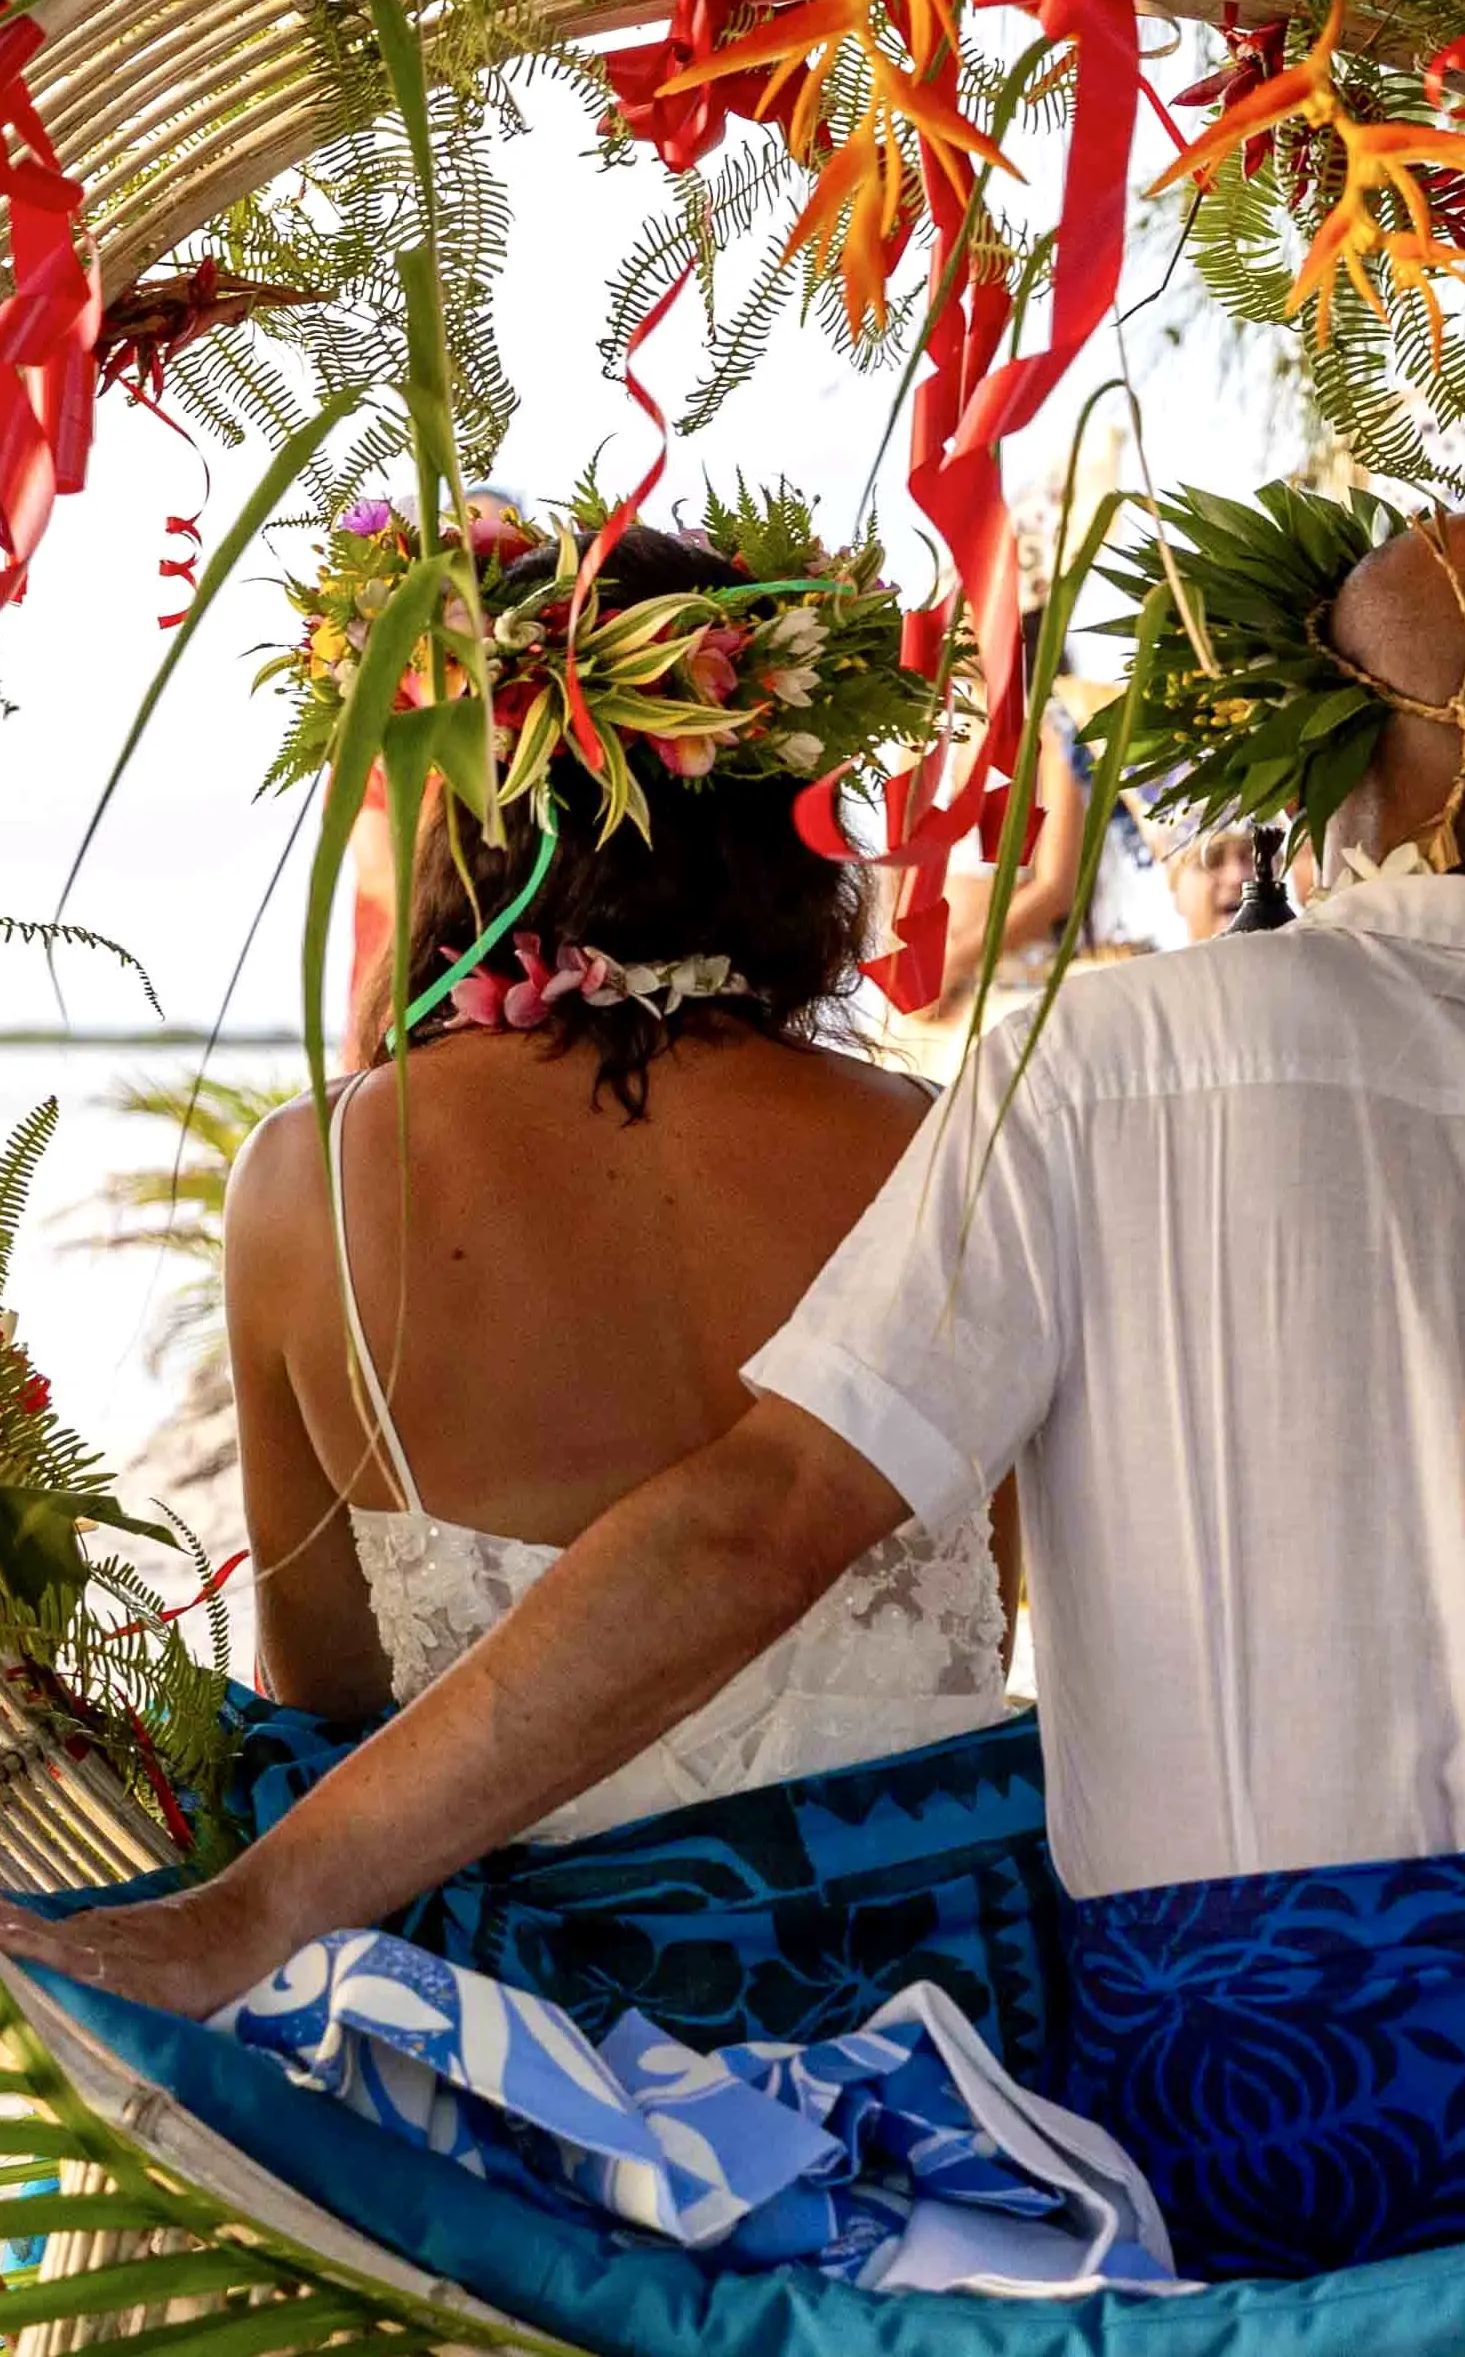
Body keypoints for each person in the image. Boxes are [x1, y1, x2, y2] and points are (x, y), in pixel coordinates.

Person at [0, 505, 1465, 2278]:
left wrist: (247, 1916)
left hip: (1287, 2096)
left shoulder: (1116, 1057)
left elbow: (751, 1525)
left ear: (1303, 755)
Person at [175, 514, 1059, 2068]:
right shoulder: (941, 1157)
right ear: (790, 814)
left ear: (461, 810)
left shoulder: (309, 1185)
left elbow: (323, 1702)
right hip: (962, 2027)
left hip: (530, 2061)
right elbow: (981, 1619)